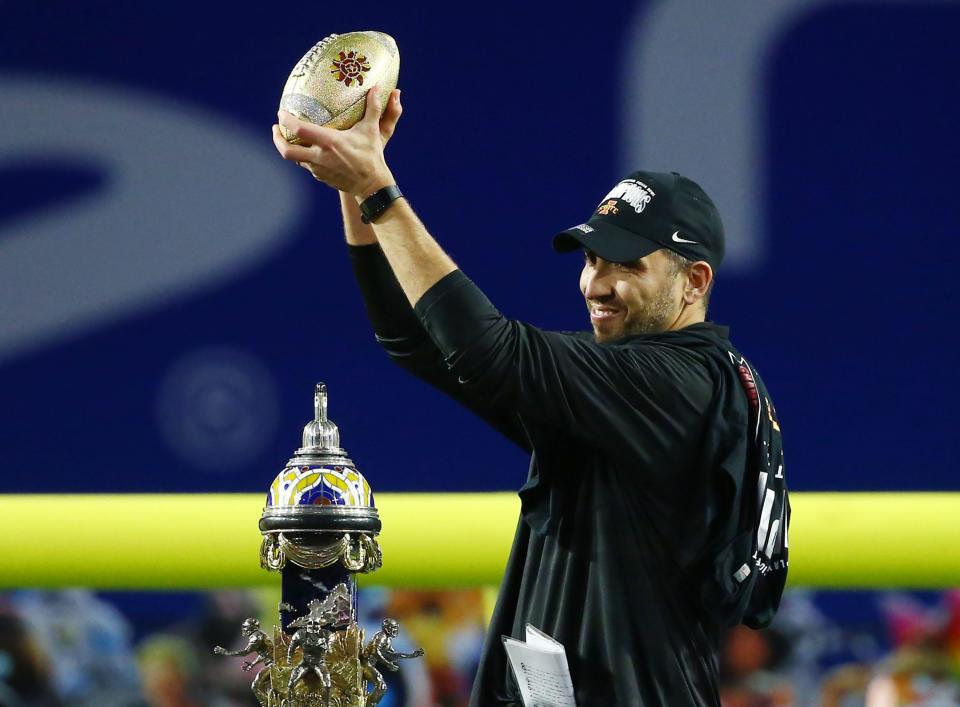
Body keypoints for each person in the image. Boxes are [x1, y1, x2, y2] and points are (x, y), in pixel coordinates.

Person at [272, 88, 790, 706]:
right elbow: (417, 340)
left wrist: (380, 191)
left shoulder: (684, 385)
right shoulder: (632, 387)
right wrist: (355, 184)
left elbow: (489, 348)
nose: (596, 283)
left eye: (626, 265)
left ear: (694, 281)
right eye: (593, 259)